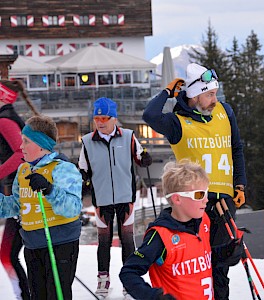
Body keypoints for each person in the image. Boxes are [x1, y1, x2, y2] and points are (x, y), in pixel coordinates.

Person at [143, 63, 247, 299]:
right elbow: (149, 115)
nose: (214, 99)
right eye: (209, 94)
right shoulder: (176, 122)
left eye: (215, 93)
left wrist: (240, 184)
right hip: (194, 202)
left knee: (221, 267)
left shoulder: (225, 112)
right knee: (197, 265)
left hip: (224, 201)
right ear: (194, 94)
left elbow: (237, 149)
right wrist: (167, 93)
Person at [120, 159, 243, 300]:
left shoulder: (204, 222)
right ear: (177, 199)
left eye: (206, 193)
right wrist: (154, 297)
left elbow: (202, 257)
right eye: (199, 195)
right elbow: (128, 272)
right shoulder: (161, 235)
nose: (206, 200)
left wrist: (226, 253)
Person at [0, 114, 82, 300]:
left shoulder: (62, 169)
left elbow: (73, 208)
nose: (21, 147)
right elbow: (15, 205)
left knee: (56, 296)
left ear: (41, 145)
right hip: (33, 244)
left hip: (59, 244)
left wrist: (49, 188)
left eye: (26, 141)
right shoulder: (24, 170)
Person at [78, 97, 153, 298]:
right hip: (101, 200)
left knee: (128, 241)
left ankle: (130, 282)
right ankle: (103, 280)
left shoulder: (128, 136)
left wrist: (145, 158)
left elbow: (140, 156)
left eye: (104, 118)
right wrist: (82, 180)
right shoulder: (87, 141)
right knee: (104, 242)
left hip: (125, 198)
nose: (100, 122)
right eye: (96, 118)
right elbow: (83, 169)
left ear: (114, 119)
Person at [0, 79, 40, 300]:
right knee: (10, 254)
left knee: (7, 254)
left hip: (19, 196)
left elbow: (19, 153)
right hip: (19, 194)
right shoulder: (7, 117)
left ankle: (25, 295)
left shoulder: (4, 121)